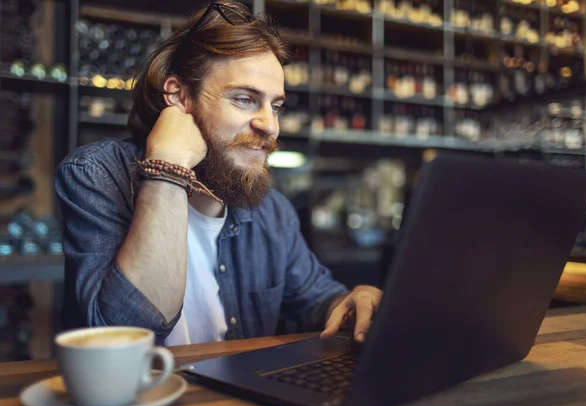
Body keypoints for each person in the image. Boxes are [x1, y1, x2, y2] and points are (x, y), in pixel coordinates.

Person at [54, 0, 382, 346]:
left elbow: (316, 300)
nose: (270, 125)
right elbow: (124, 336)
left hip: (231, 401)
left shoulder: (272, 211)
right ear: (179, 97)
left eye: (276, 106)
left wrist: (352, 302)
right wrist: (168, 169)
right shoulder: (96, 174)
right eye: (244, 99)